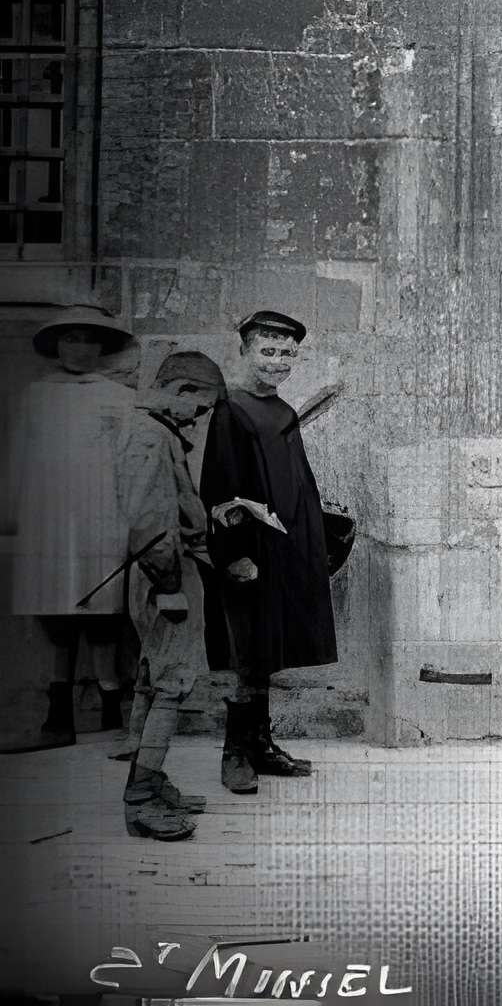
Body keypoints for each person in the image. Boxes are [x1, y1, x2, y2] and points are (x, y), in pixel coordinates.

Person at [200, 309, 335, 794]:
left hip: (284, 550)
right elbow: (220, 488)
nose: (278, 361)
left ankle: (260, 744)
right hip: (250, 554)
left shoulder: (283, 412)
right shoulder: (230, 410)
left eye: (287, 353)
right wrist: (235, 553)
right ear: (244, 351)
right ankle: (234, 751)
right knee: (245, 653)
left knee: (269, 651)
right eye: (268, 351)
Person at [2, 305, 135, 753]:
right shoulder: (37, 396)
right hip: (50, 517)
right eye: (71, 339)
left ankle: (112, 706)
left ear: (103, 347)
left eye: (89, 340)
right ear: (57, 345)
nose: (80, 349)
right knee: (57, 612)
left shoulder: (118, 398)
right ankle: (57, 714)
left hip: (103, 516)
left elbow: (129, 460)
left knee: (103, 610)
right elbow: (18, 459)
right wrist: (13, 512)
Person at [115, 349, 226, 841]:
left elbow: (172, 511)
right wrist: (170, 588)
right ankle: (140, 800)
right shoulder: (147, 436)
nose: (200, 418)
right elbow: (148, 525)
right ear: (180, 391)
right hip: (167, 577)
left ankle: (151, 780)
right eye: (199, 407)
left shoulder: (160, 434)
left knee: (152, 681)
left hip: (172, 571)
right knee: (171, 686)